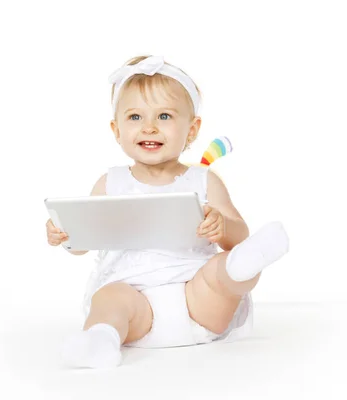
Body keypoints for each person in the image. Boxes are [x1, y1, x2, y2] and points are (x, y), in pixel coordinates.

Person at [45, 55, 289, 368]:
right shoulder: (111, 182)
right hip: (135, 299)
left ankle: (244, 266)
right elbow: (83, 241)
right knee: (110, 299)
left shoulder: (203, 181)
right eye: (134, 117)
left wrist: (222, 227)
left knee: (219, 271)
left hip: (196, 300)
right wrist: (66, 232)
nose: (149, 127)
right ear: (116, 129)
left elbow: (237, 233)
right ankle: (101, 339)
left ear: (192, 129)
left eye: (164, 116)